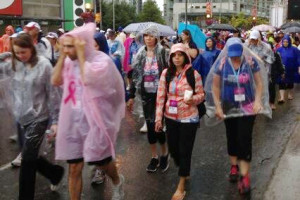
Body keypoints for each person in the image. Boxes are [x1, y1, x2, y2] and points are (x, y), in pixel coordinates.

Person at [51, 23, 125, 200]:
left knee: (102, 162)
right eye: (65, 46)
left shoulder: (102, 61)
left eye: (71, 46)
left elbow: (88, 79)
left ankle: (117, 181)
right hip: (73, 121)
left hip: (96, 121)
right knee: (75, 167)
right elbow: (55, 80)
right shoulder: (68, 61)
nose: (67, 50)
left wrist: (82, 55)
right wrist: (62, 56)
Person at [0, 33, 64, 200]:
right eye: (17, 53)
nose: (21, 56)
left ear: (32, 49)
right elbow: (2, 68)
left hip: (39, 118)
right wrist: (5, 55)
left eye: (24, 52)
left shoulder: (44, 66)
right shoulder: (15, 63)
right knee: (31, 155)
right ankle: (55, 173)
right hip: (22, 117)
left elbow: (53, 94)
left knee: (27, 162)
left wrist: (56, 121)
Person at [205, 38, 270, 195]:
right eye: (231, 54)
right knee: (232, 136)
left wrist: (257, 101)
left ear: (242, 51)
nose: (235, 58)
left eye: (237, 55)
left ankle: (244, 175)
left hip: (247, 107)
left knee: (244, 138)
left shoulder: (250, 62)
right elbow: (215, 86)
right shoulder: (221, 63)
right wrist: (218, 106)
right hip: (229, 106)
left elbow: (259, 83)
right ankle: (234, 165)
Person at [155, 43, 205, 200]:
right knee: (175, 149)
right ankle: (184, 167)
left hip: (189, 117)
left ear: (185, 56)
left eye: (180, 55)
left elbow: (201, 94)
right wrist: (158, 118)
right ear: (170, 57)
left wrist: (193, 100)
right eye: (174, 55)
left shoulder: (193, 74)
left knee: (185, 150)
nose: (176, 58)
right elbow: (161, 96)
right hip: (170, 116)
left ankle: (181, 185)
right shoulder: (166, 73)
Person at [127, 25, 170, 173]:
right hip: (146, 95)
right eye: (146, 36)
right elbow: (135, 75)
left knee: (159, 126)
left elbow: (170, 73)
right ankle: (154, 156)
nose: (148, 39)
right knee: (150, 127)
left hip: (161, 95)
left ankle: (164, 153)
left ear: (156, 37)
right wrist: (131, 96)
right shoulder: (140, 54)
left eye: (151, 36)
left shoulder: (164, 52)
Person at [277, 35, 300, 102]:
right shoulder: (279, 49)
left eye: (286, 42)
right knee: (281, 82)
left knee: (290, 82)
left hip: (291, 69)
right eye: (284, 42)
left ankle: (290, 94)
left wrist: (299, 66)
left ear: (289, 42)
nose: (285, 43)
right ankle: (282, 97)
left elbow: (298, 58)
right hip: (281, 70)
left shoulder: (294, 49)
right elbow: (276, 59)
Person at [268, 42, 285, 110]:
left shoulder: (275, 55)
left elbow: (279, 64)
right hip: (263, 75)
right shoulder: (262, 55)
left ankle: (272, 103)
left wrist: (282, 72)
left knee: (272, 89)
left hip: (272, 74)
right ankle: (265, 104)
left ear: (272, 48)